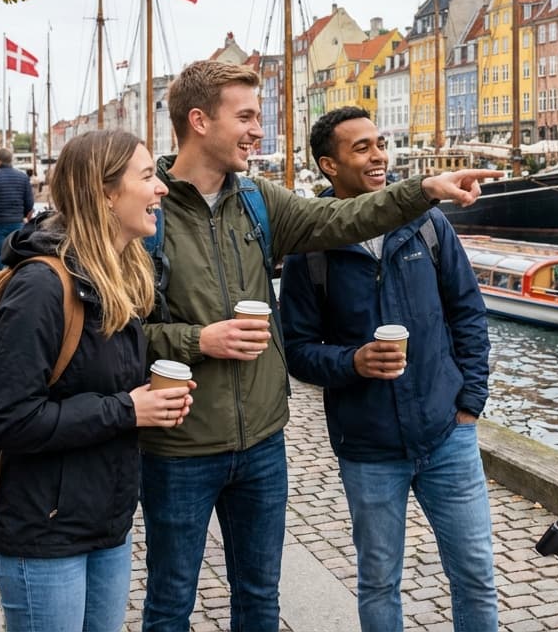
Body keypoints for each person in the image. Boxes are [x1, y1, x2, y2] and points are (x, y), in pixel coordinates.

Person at [138, 60, 499, 632]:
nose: (259, 129)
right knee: (169, 603)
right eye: (248, 116)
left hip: (260, 442)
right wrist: (198, 340)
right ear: (200, 121)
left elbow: (345, 217)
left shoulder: (259, 202)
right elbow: (121, 334)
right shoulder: (147, 212)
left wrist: (424, 190)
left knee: (259, 600)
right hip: (182, 445)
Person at [280, 107, 499, 631]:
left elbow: (467, 313)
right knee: (379, 580)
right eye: (361, 148)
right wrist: (352, 361)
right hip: (368, 446)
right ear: (329, 166)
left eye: (379, 144)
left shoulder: (426, 223)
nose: (378, 156)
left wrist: (469, 405)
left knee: (474, 573)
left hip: (447, 436)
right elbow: (298, 349)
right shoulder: (312, 249)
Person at [0, 129, 194, 632]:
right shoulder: (39, 287)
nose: (161, 187)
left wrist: (152, 398)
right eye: (146, 176)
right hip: (43, 532)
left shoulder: (117, 275)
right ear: (103, 192)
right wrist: (129, 409)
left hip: (106, 524)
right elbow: (11, 421)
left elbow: (99, 383)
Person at [0, 147, 34, 270]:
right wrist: (24, 215)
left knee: (0, 254)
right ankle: (16, 281)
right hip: (17, 221)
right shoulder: (23, 177)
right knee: (17, 253)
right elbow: (29, 202)